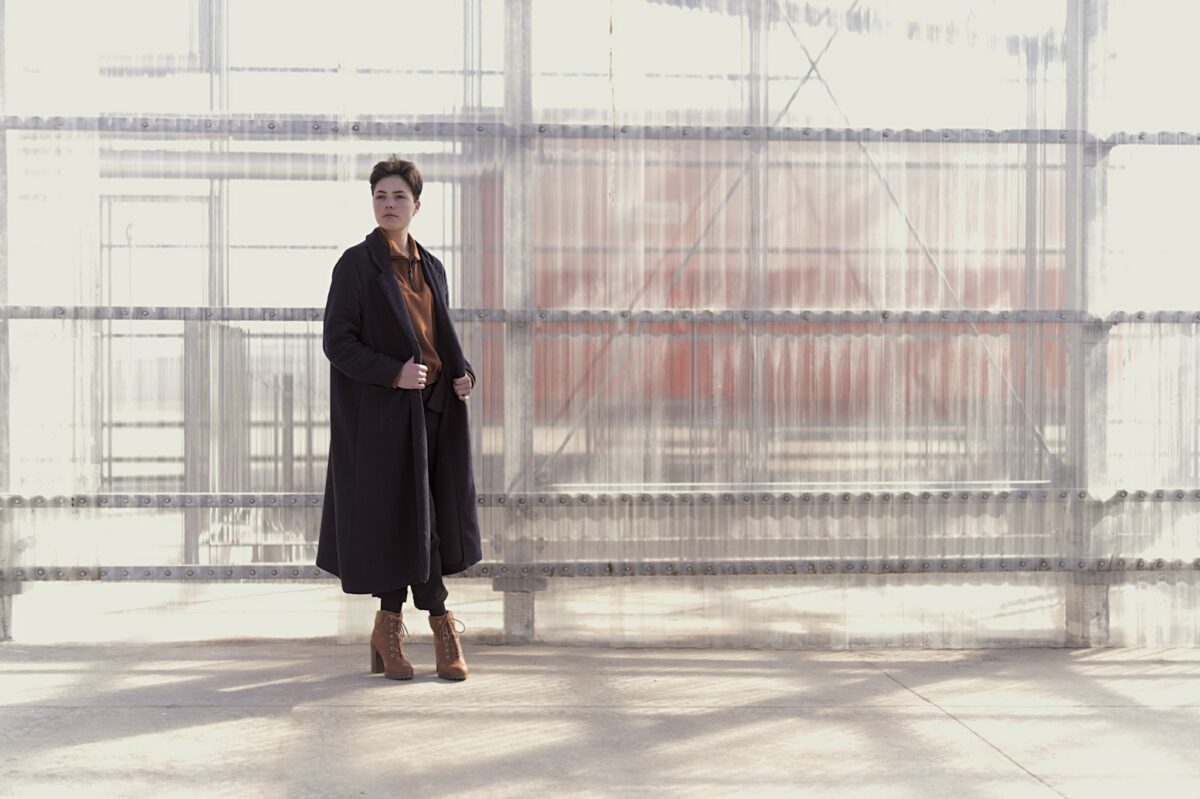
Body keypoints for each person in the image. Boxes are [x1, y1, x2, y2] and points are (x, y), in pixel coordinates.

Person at [317, 157, 481, 681]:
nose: (389, 205)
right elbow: (337, 342)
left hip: (434, 411)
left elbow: (439, 337)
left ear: (416, 205)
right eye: (380, 196)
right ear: (373, 202)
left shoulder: (431, 266)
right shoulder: (355, 265)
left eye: (398, 197)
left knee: (424, 521)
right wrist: (393, 374)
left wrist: (464, 374)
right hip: (385, 417)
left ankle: (390, 628)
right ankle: (437, 622)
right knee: (404, 523)